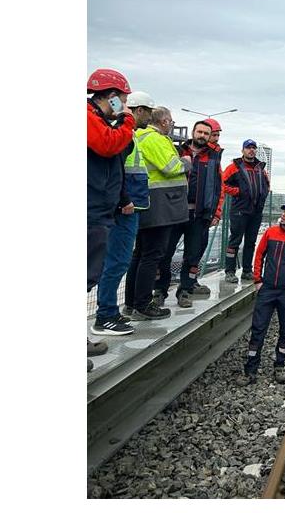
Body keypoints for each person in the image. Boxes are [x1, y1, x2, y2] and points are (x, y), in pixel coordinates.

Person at [91, 91, 154, 336]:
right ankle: (105, 315)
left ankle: (108, 313)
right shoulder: (123, 134)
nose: (150, 117)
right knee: (117, 261)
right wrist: (124, 200)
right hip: (124, 207)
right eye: (148, 112)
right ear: (140, 111)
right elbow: (116, 170)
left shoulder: (128, 134)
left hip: (127, 204)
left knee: (118, 261)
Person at [87, 68, 135, 368]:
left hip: (100, 207)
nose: (125, 105)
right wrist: (126, 119)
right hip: (88, 206)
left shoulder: (104, 122)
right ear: (112, 97)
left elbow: (117, 155)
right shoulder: (87, 118)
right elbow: (107, 144)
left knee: (87, 275)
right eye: (123, 100)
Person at [237, 200, 285, 385]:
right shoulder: (270, 233)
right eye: (284, 211)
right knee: (258, 330)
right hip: (267, 289)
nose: (284, 214)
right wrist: (258, 279)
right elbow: (259, 254)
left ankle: (280, 366)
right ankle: (250, 370)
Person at [127, 106, 189, 320]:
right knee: (151, 255)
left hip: (148, 201)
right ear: (163, 122)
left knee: (141, 254)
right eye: (171, 121)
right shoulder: (155, 139)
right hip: (160, 204)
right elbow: (171, 167)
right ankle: (143, 305)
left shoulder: (139, 136)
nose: (172, 124)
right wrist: (187, 162)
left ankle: (131, 303)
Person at [158, 119, 223, 307]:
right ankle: (160, 290)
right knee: (165, 252)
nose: (202, 136)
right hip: (174, 213)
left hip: (199, 215)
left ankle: (184, 290)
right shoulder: (177, 151)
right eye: (199, 132)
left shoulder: (213, 158)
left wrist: (216, 213)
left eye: (206, 133)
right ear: (193, 132)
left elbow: (219, 188)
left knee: (193, 255)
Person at [222, 139, 271, 284]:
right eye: (248, 148)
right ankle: (230, 271)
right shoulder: (234, 167)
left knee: (250, 242)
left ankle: (247, 271)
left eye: (253, 148)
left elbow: (266, 186)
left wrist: (263, 194)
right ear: (242, 150)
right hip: (239, 211)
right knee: (235, 241)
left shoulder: (260, 169)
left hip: (256, 212)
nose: (251, 150)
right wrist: (238, 192)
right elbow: (223, 184)